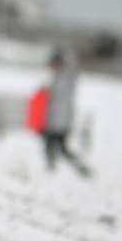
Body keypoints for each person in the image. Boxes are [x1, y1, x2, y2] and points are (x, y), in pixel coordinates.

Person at [40, 49, 90, 177]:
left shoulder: (66, 78)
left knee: (59, 148)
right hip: (55, 120)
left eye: (53, 63)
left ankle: (55, 168)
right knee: (52, 146)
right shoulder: (59, 77)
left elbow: (58, 99)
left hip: (59, 121)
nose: (51, 66)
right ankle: (52, 168)